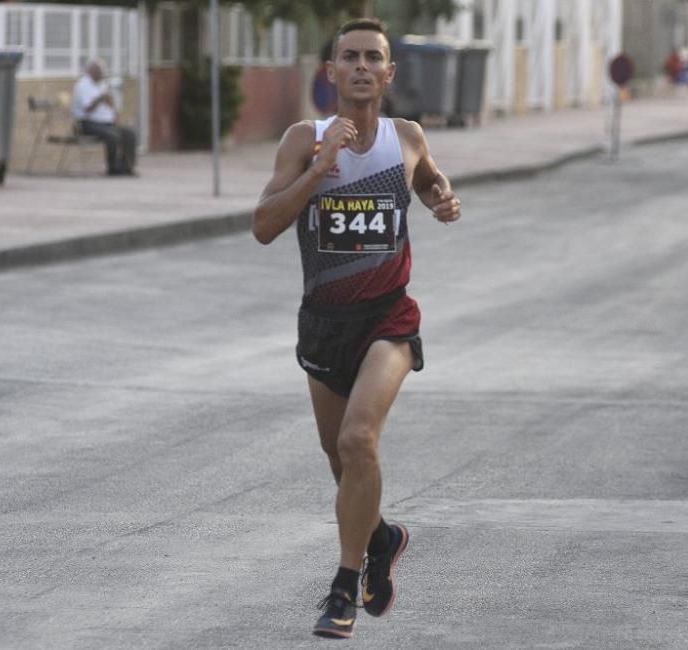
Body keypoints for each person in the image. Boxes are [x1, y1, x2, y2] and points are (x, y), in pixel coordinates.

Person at [251, 17, 461, 640]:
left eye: (374, 57)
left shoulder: (408, 137)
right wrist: (319, 170)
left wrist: (443, 199)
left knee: (357, 440)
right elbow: (263, 225)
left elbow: (429, 183)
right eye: (351, 57)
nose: (363, 66)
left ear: (390, 73)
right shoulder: (303, 139)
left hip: (388, 319)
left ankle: (344, 587)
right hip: (324, 323)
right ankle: (383, 537)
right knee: (338, 458)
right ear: (332, 72)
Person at [71, 59, 137, 176]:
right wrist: (100, 98)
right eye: (100, 72)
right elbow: (87, 109)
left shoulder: (102, 84)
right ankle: (113, 167)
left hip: (106, 122)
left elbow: (111, 106)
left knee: (129, 133)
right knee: (112, 136)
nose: (102, 74)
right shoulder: (82, 85)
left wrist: (110, 101)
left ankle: (127, 166)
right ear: (92, 71)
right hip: (87, 123)